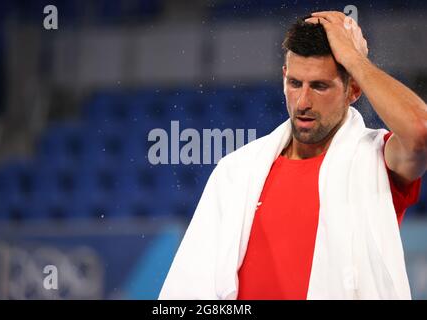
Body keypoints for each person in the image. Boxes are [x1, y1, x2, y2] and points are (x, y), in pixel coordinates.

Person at [159, 11, 426, 300]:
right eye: (295, 83)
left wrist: (354, 59)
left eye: (320, 86)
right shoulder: (237, 171)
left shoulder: (376, 161)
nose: (303, 102)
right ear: (284, 76)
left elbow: (420, 130)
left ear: (354, 89)